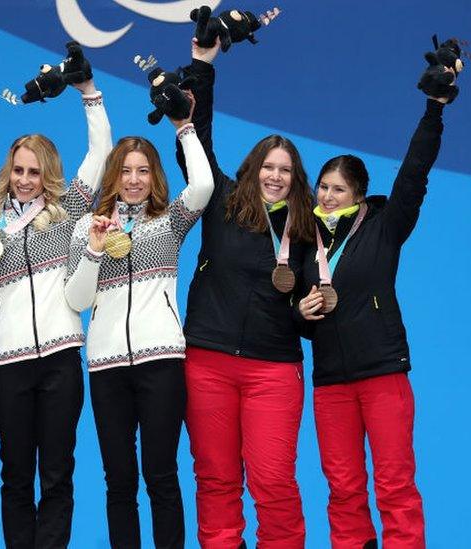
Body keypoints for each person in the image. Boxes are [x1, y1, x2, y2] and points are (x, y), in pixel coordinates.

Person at [296, 61, 455, 549]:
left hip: (383, 374)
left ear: (359, 195)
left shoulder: (385, 227)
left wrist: (433, 111)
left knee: (394, 486)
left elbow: (414, 175)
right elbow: (292, 312)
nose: (326, 196)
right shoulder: (302, 240)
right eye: (322, 186)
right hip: (330, 383)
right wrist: (299, 314)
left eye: (338, 189)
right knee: (343, 491)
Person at [173, 36, 316, 549]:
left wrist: (307, 310)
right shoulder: (222, 200)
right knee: (215, 480)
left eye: (285, 170)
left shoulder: (306, 230)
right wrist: (202, 65)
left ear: (294, 179)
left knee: (273, 483)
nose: (275, 176)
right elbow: (197, 139)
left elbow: (308, 314)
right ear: (252, 168)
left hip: (273, 369)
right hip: (207, 361)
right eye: (268, 166)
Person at [0, 77, 111, 548]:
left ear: (49, 175)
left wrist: (89, 92)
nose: (26, 180)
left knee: (58, 474)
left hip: (61, 360)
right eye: (19, 170)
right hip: (10, 365)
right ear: (10, 172)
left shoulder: (68, 213)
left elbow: (101, 150)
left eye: (35, 172)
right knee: (15, 476)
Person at [64, 95, 213, 549]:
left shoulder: (169, 222)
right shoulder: (87, 225)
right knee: (119, 481)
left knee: (162, 475)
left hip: (162, 361)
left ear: (154, 177)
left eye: (142, 171)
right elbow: (77, 297)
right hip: (107, 366)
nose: (133, 180)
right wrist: (92, 248)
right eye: (125, 171)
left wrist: (184, 128)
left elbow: (204, 185)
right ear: (113, 176)